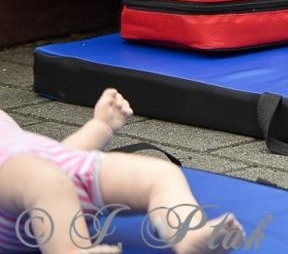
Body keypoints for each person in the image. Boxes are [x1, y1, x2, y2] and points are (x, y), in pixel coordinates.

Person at [0, 88, 242, 254]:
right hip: (20, 191)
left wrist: (100, 126)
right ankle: (71, 249)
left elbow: (60, 154)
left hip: (58, 177)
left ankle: (187, 235)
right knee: (45, 180)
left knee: (161, 175)